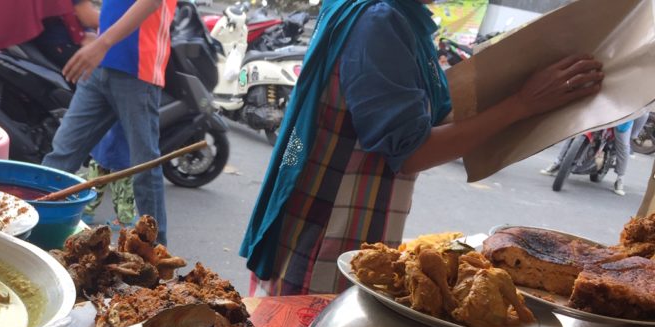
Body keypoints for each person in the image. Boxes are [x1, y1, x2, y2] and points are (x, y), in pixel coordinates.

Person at [239, 0, 603, 296]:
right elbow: (413, 151)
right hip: (327, 234)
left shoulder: (396, 17)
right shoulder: (379, 20)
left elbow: (421, 114)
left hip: (323, 215)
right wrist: (522, 104)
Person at [42, 0, 175, 245]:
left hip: (138, 70)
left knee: (144, 168)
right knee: (61, 156)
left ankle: (156, 254)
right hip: (99, 67)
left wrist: (102, 42)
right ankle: (37, 229)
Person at [540, 118, 638, 196]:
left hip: (623, 117)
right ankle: (558, 162)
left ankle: (620, 178)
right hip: (602, 109)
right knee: (575, 131)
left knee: (623, 145)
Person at [83, 122, 138, 228]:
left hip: (111, 134)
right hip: (114, 134)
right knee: (107, 170)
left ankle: (125, 218)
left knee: (109, 170)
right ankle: (125, 218)